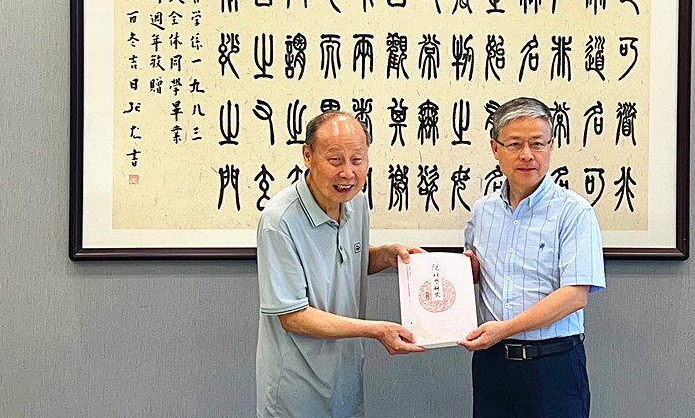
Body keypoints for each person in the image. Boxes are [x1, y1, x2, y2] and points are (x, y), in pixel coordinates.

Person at [256, 111, 425, 418]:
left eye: (357, 160)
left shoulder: (355, 202)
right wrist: (376, 329)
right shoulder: (279, 220)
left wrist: (386, 255)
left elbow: (346, 260)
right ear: (308, 156)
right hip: (297, 385)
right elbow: (293, 316)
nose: (348, 173)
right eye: (335, 160)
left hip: (345, 378)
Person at [458, 97, 605, 418]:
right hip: (492, 365)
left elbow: (575, 295)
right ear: (495, 149)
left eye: (537, 144)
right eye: (514, 144)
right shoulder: (482, 212)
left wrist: (504, 328)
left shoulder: (574, 212)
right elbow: (476, 273)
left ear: (551, 146)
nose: (527, 154)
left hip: (553, 366)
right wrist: (462, 273)